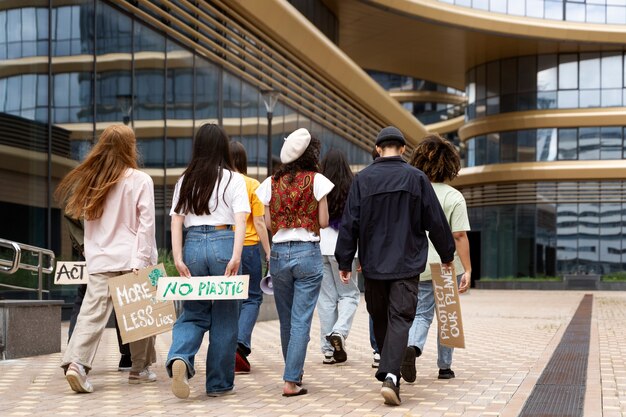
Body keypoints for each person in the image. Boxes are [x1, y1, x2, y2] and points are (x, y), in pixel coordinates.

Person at [335, 126, 455, 406]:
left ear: (378, 149)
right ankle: (391, 373)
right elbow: (435, 220)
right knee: (400, 318)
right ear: (403, 149)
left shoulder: (362, 180)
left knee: (380, 317)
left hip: (374, 264)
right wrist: (447, 254)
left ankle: (391, 373)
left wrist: (345, 260)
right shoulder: (417, 179)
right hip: (407, 262)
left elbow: (349, 222)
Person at [57, 124, 158, 393]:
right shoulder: (140, 180)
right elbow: (146, 226)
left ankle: (77, 364)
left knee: (91, 314)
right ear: (130, 147)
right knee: (139, 316)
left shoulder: (92, 182)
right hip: (132, 258)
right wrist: (143, 260)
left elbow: (88, 226)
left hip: (100, 259)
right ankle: (139, 369)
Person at [166, 124, 250, 399]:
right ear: (223, 147)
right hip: (223, 241)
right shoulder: (233, 179)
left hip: (192, 245)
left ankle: (181, 356)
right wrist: (236, 256)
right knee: (226, 316)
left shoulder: (185, 180)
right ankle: (218, 384)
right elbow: (240, 221)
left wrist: (178, 257)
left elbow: (176, 221)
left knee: (193, 311)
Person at [256, 128, 334, 397]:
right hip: (308, 252)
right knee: (301, 320)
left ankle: (294, 374)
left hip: (278, 254)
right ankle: (291, 381)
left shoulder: (269, 183)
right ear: (310, 153)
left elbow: (268, 224)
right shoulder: (318, 180)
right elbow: (323, 222)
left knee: (287, 320)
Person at [401, 134, 471, 383]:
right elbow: (459, 235)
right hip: (446, 264)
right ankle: (445, 367)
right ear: (450, 165)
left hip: (416, 262)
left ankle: (413, 347)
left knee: (421, 313)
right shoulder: (454, 197)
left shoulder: (412, 193)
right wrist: (469, 270)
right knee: (447, 314)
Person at [64, 215, 132, 372]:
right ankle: (128, 357)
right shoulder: (119, 190)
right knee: (124, 299)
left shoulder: (80, 190)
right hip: (118, 251)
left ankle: (74, 358)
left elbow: (71, 214)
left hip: (90, 251)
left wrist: (82, 246)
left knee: (83, 301)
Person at [229, 141, 271, 373]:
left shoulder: (220, 183)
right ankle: (240, 346)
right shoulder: (252, 184)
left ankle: (227, 348)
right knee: (253, 298)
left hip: (226, 246)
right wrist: (268, 251)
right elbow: (259, 222)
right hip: (250, 246)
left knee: (231, 298)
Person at [316, 148, 359, 365]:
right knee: (350, 295)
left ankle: (328, 350)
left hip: (320, 247)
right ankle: (339, 333)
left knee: (326, 299)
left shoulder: (319, 185)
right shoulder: (352, 186)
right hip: (345, 250)